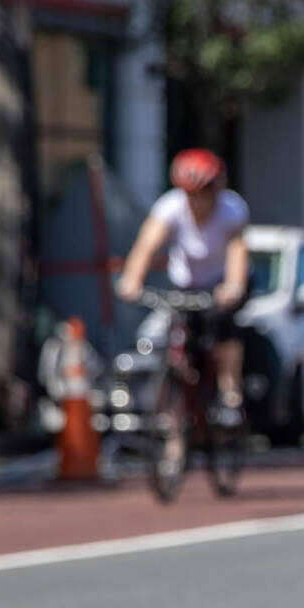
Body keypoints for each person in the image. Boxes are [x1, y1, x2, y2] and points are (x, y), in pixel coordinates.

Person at [117, 148, 250, 422]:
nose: (197, 201)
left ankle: (229, 391)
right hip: (184, 285)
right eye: (191, 194)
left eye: (203, 193)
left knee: (224, 328)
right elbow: (146, 246)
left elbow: (237, 251)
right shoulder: (170, 207)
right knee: (172, 342)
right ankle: (174, 432)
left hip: (219, 284)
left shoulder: (231, 209)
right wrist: (131, 280)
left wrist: (234, 285)